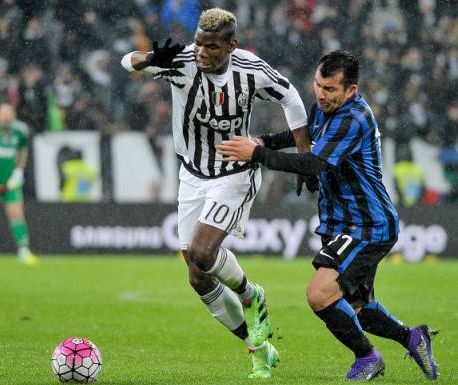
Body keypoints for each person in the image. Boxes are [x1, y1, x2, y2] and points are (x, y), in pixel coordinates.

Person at [218, 50, 439, 381]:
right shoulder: (323, 107)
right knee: (358, 309)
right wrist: (262, 140)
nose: (321, 94)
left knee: (320, 293)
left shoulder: (354, 118)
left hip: (368, 224)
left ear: (351, 90)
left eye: (330, 89)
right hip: (339, 223)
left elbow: (314, 163)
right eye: (318, 85)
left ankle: (368, 358)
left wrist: (258, 153)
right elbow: (302, 137)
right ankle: (412, 338)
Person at [121, 8, 309, 378]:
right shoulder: (182, 62)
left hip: (235, 170)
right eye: (198, 44)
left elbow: (291, 97)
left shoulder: (250, 69)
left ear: (231, 46)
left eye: (211, 47)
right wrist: (149, 58)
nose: (202, 52)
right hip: (192, 174)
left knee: (204, 252)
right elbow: (128, 62)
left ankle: (253, 295)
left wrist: (305, 155)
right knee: (197, 274)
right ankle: (258, 346)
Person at [0, 103, 39, 266]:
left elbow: (23, 151)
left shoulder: (20, 131)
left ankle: (24, 251)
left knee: (16, 215)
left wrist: (18, 172)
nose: (6, 117)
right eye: (3, 113)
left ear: (14, 115)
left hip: (10, 180)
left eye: (9, 113)